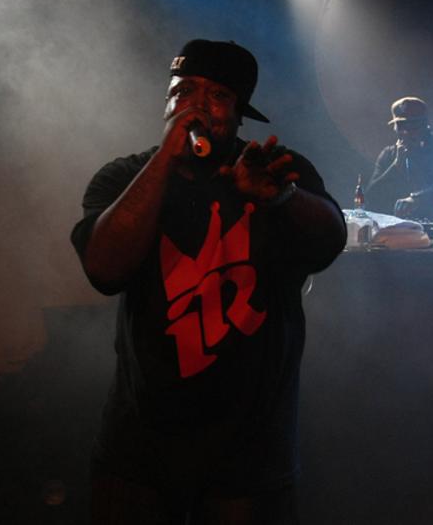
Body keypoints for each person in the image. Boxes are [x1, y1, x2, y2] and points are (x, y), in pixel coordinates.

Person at [70, 39, 346, 525]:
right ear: (166, 104)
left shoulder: (273, 169)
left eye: (217, 95)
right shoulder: (125, 177)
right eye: (183, 91)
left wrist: (281, 199)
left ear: (239, 115)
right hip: (140, 443)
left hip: (249, 448)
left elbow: (330, 241)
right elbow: (104, 270)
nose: (195, 105)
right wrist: (166, 160)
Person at [365, 96, 433, 217]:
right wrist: (396, 165)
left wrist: (418, 198)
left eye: (413, 125)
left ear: (425, 125)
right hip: (396, 225)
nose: (406, 131)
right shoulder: (388, 154)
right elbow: (370, 197)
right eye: (401, 126)